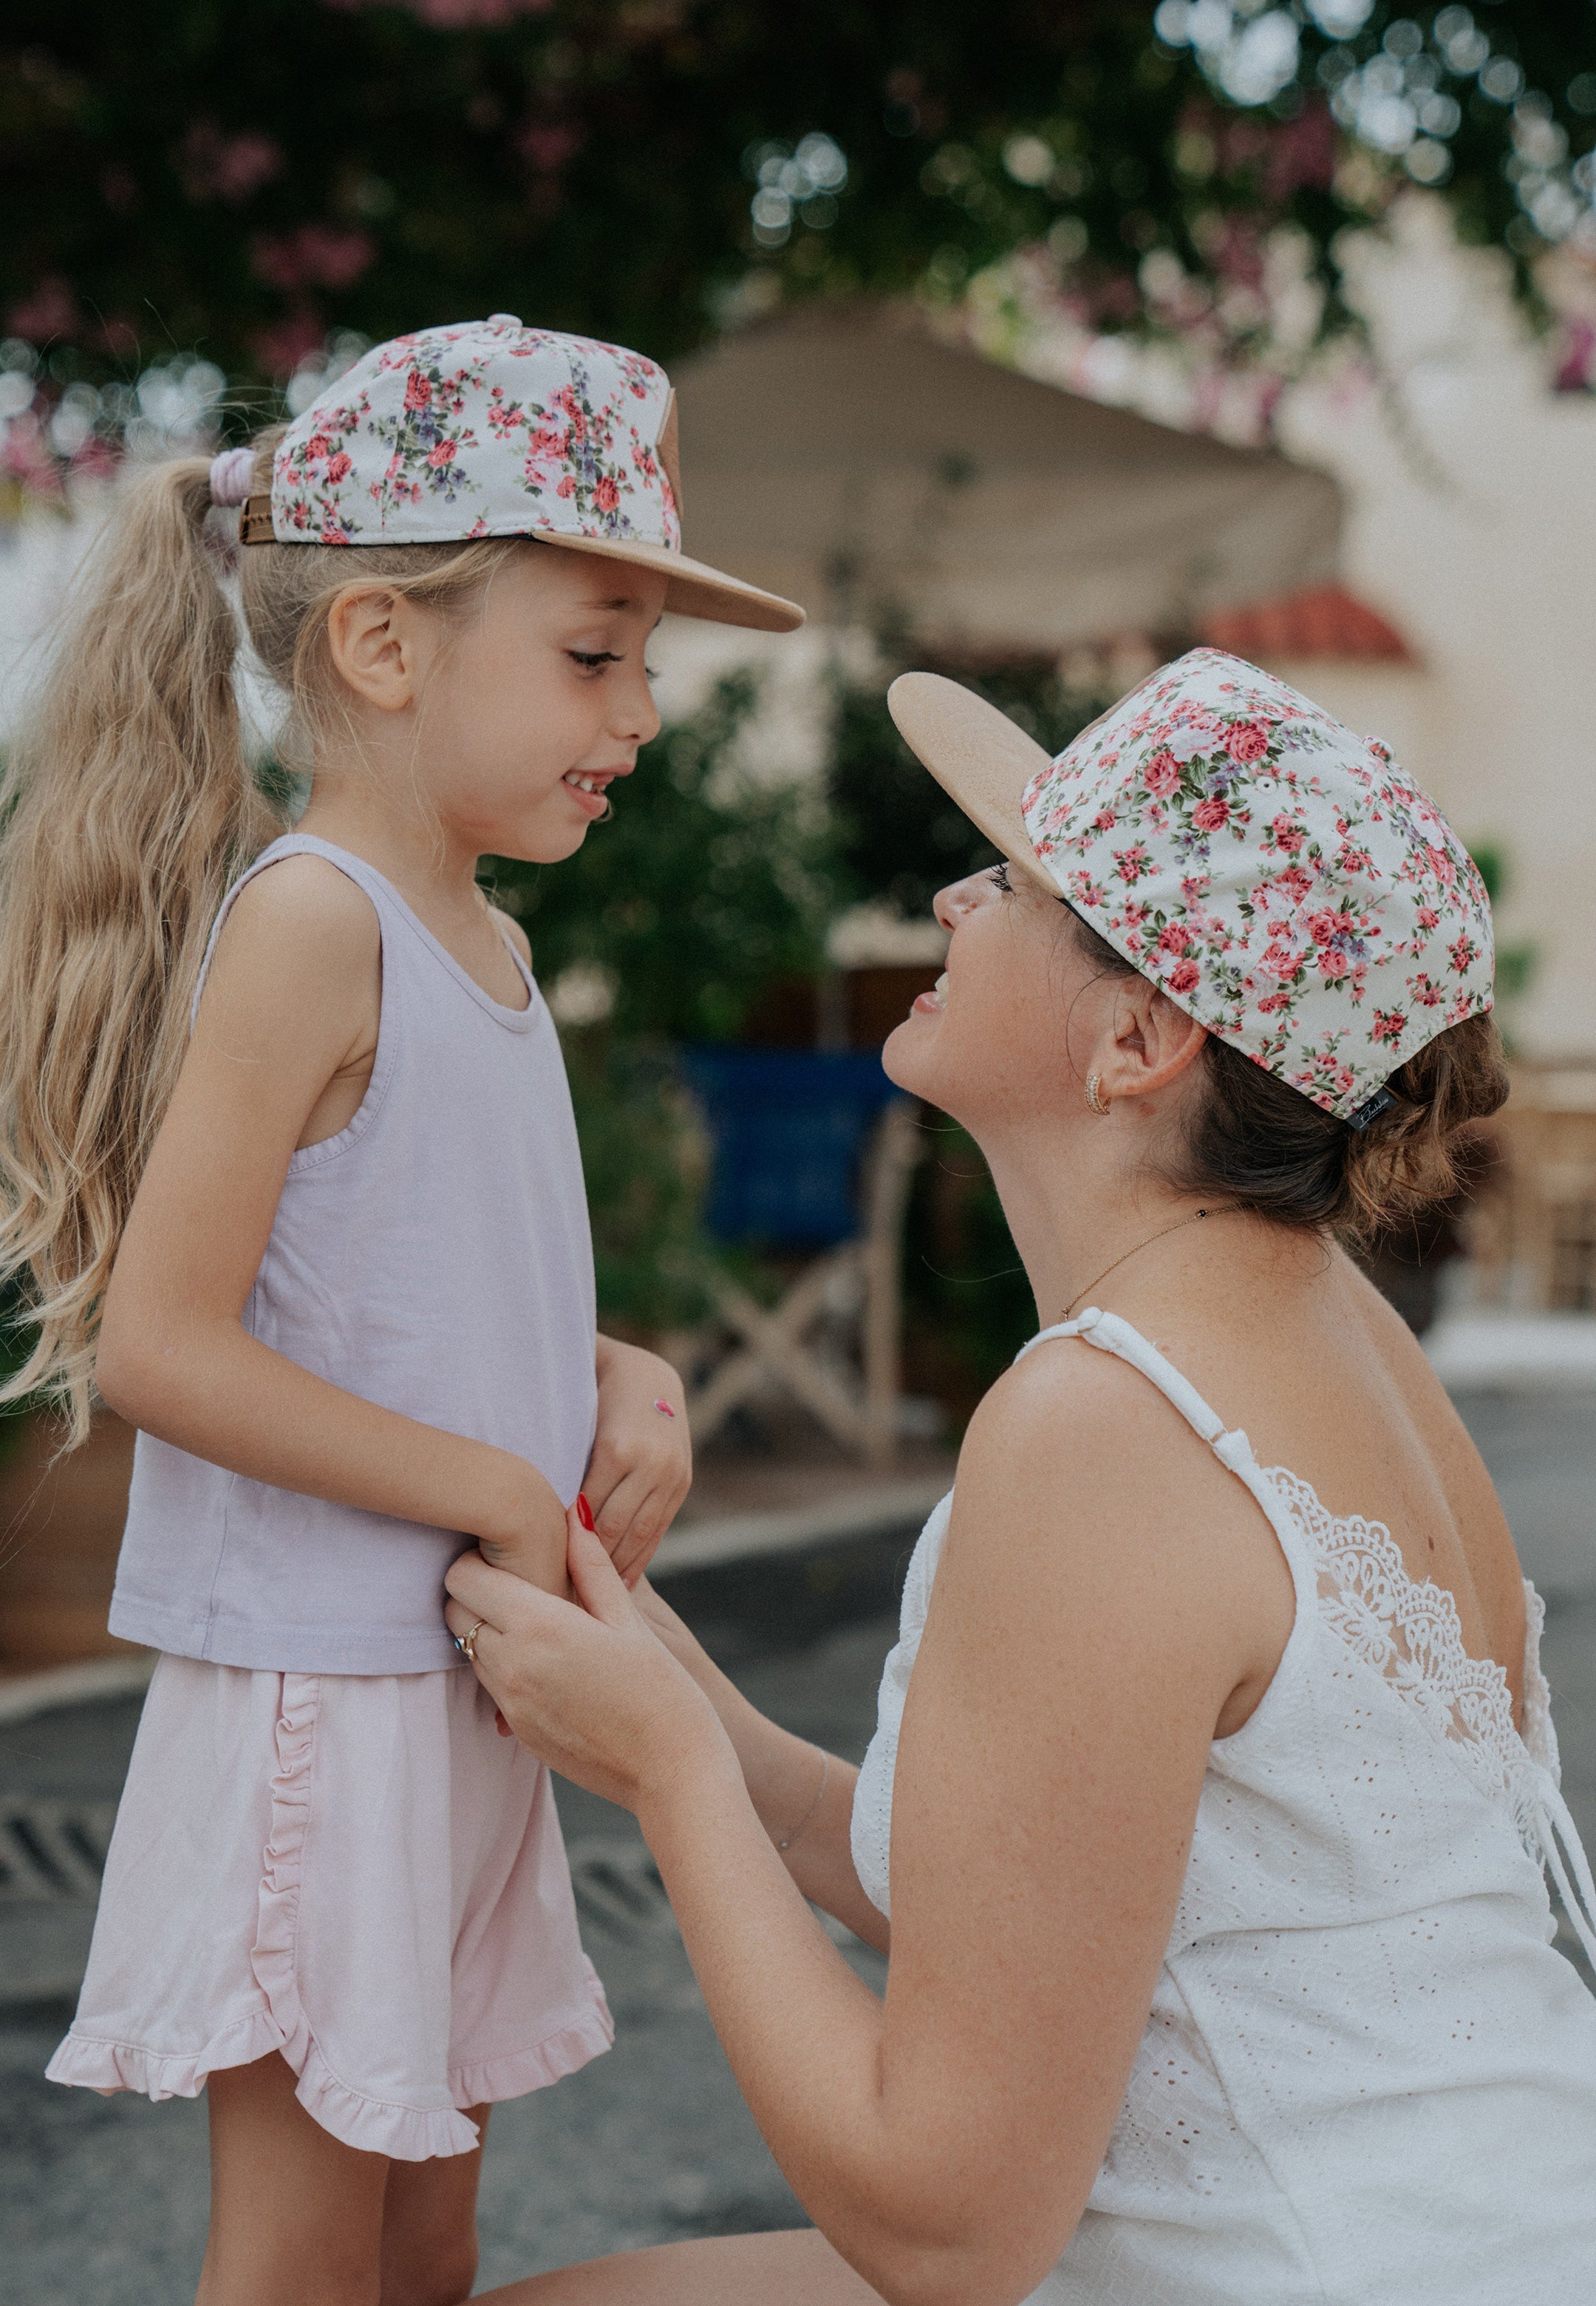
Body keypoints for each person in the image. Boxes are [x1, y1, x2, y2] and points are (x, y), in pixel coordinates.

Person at [444, 650, 1596, 2305]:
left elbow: (949, 2229)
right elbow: (1038, 1902)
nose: (953, 897)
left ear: (1133, 1038)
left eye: (1014, 882)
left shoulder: (1103, 1428)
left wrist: (673, 1780)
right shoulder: (1328, 1321)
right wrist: (662, 1683)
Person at [10, 316, 803, 2306]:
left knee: (430, 2244)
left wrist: (613, 1373)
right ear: (381, 642)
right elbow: (167, 1345)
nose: (636, 711)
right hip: (326, 1705)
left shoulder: (487, 942)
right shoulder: (311, 923)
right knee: (301, 2265)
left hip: (461, 1682)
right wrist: (486, 1483)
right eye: (593, 652)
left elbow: (412, 1268)